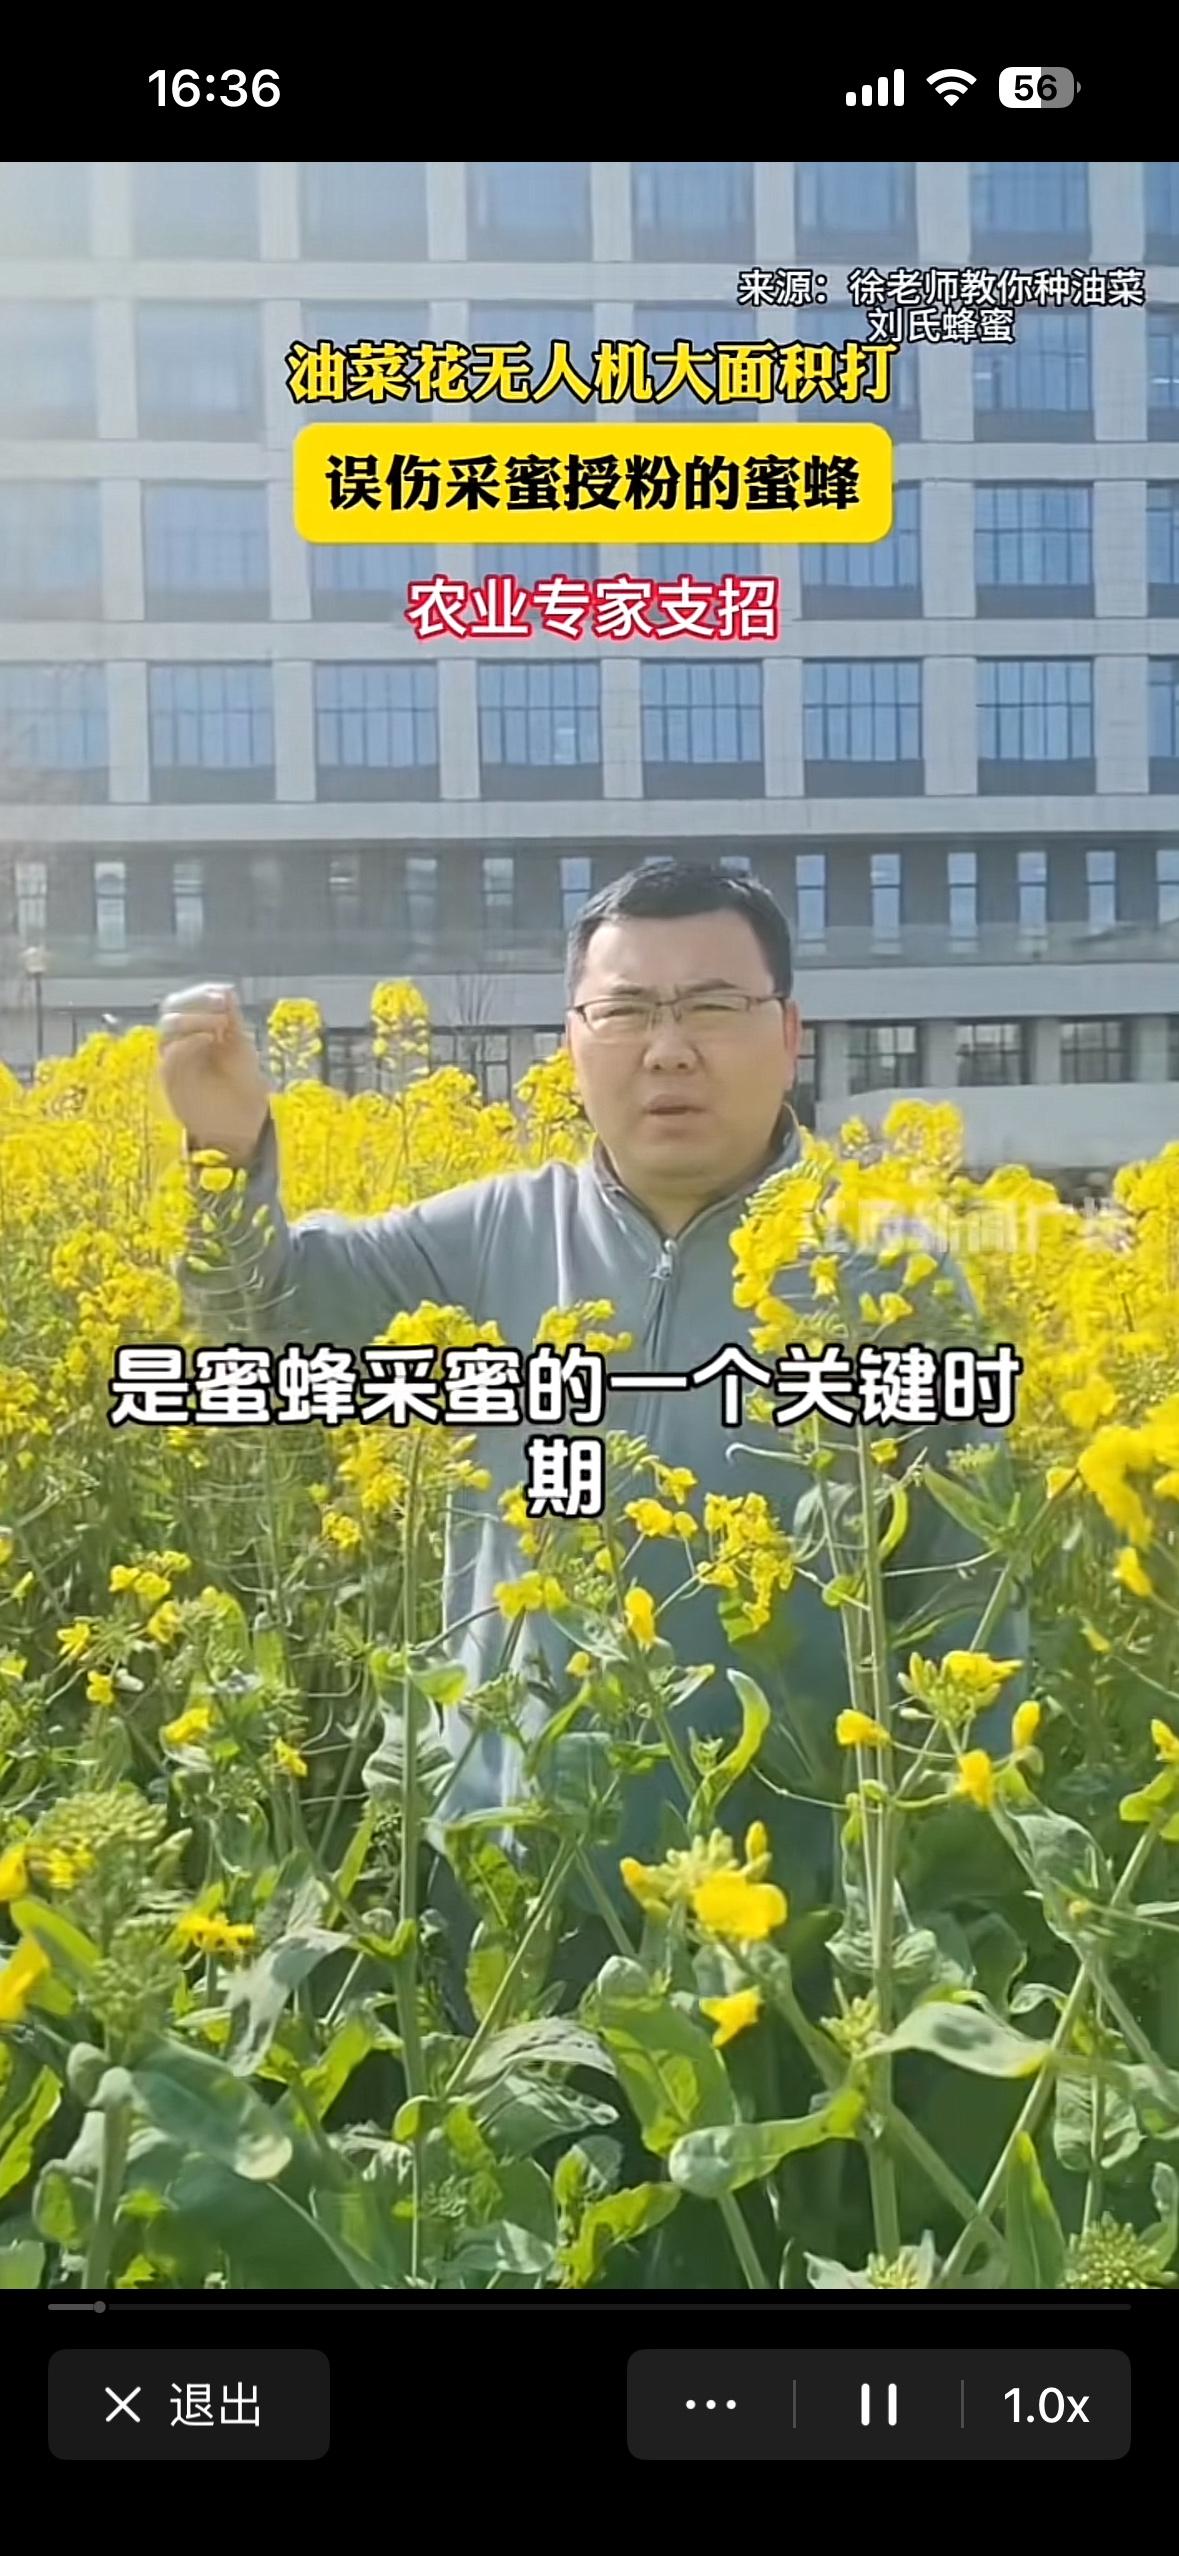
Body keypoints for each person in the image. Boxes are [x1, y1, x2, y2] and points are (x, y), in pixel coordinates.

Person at [159, 860, 1021, 1892]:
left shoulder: (890, 1272)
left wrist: (936, 1881)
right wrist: (225, 1148)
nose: (668, 1048)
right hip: (506, 1896)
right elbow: (261, 1319)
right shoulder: (487, 1235)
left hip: (785, 1912)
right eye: (624, 1011)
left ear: (789, 1035)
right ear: (572, 1043)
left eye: (713, 1006)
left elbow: (969, 1599)